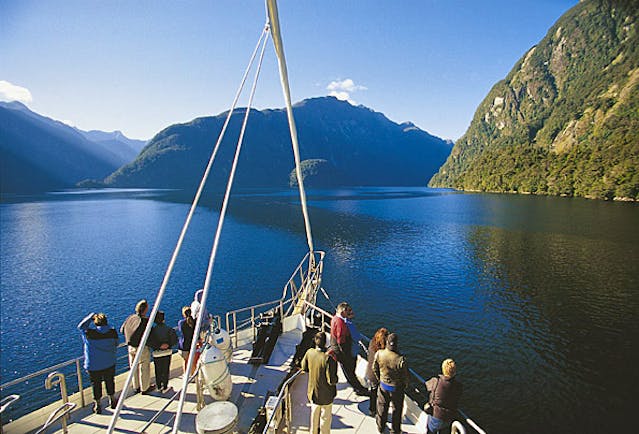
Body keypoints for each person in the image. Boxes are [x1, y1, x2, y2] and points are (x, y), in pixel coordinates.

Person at [78, 312, 118, 414]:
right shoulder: (112, 332)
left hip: (93, 365)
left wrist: (90, 317)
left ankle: (98, 404)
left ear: (96, 323)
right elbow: (116, 344)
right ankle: (112, 399)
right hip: (109, 362)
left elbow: (81, 326)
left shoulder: (89, 333)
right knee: (110, 381)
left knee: (96, 384)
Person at [301, 332, 338, 434]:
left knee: (314, 417)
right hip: (327, 395)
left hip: (313, 393)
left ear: (315, 341)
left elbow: (304, 367)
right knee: (325, 420)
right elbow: (332, 380)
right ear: (326, 343)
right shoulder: (328, 358)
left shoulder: (309, 352)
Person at [373, 333, 409, 434]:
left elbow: (374, 368)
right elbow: (405, 377)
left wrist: (380, 379)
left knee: (382, 407)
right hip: (396, 388)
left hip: (383, 385)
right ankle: (395, 430)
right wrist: (405, 385)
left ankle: (381, 427)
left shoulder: (379, 354)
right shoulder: (401, 359)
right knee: (396, 410)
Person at [329, 302, 367, 395]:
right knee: (349, 370)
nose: (349, 313)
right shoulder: (340, 323)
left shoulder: (334, 318)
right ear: (343, 311)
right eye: (348, 311)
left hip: (337, 348)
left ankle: (353, 384)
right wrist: (347, 355)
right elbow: (341, 341)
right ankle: (359, 389)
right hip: (343, 352)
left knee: (347, 370)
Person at [120, 299, 154, 394]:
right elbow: (150, 334)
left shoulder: (130, 318)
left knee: (133, 367)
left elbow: (122, 330)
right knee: (144, 367)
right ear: (145, 310)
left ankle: (136, 387)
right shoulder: (145, 321)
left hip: (130, 347)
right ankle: (145, 388)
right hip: (141, 347)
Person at [425, 358, 463, 434]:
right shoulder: (459, 386)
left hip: (436, 415)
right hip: (449, 417)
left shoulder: (436, 381)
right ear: (454, 372)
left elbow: (426, 385)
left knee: (430, 431)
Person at [149, 311, 178, 393]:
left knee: (158, 370)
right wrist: (168, 344)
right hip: (167, 352)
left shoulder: (152, 330)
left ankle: (158, 386)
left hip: (157, 353)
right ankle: (165, 386)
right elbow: (174, 340)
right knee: (165, 369)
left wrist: (158, 346)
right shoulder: (169, 329)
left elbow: (150, 342)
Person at [366, 327, 389, 417]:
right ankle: (381, 413)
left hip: (370, 373)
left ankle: (372, 410)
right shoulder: (383, 351)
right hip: (379, 376)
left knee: (373, 391)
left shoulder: (372, 344)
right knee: (382, 395)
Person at [177, 306, 196, 376]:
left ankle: (186, 375)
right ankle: (193, 374)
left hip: (184, 345)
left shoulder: (181, 323)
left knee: (185, 361)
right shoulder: (194, 321)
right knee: (193, 361)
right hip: (192, 344)